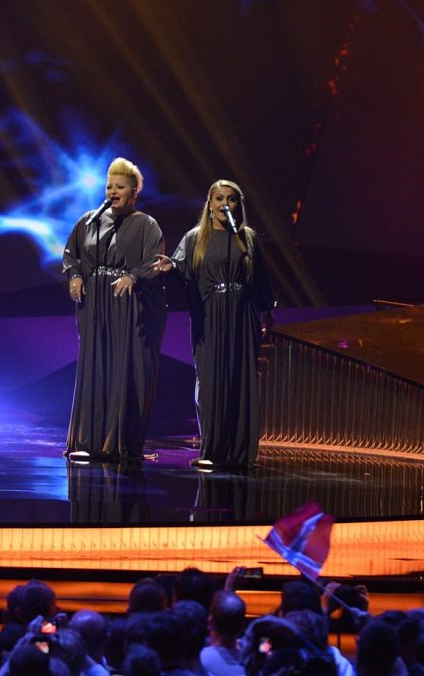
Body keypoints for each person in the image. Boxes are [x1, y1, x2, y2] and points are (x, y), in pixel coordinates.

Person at [153, 180, 274, 469]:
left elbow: (260, 281)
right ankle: (212, 449)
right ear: (209, 204)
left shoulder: (247, 238)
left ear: (238, 205)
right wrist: (170, 266)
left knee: (240, 380)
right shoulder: (195, 238)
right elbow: (180, 266)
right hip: (210, 315)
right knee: (210, 381)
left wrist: (266, 313)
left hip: (242, 316)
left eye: (231, 199)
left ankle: (240, 453)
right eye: (219, 198)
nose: (225, 204)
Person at [62, 157, 167, 463]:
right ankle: (89, 440)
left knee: (123, 368)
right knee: (95, 366)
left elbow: (155, 261)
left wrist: (133, 276)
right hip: (95, 303)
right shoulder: (89, 221)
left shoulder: (146, 224)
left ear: (134, 192)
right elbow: (71, 254)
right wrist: (75, 275)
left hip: (127, 305)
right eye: (109, 186)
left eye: (120, 186)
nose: (113, 191)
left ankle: (119, 442)